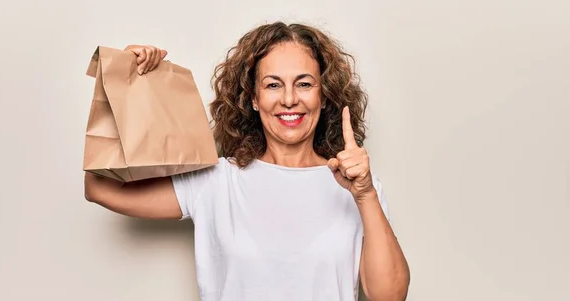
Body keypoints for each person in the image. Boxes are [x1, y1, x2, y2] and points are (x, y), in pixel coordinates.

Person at [84, 21, 410, 301]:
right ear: (253, 99)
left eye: (305, 84)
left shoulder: (359, 187)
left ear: (323, 96)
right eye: (272, 85)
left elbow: (390, 296)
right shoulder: (216, 182)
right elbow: (99, 187)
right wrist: (127, 81)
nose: (289, 99)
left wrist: (365, 195)